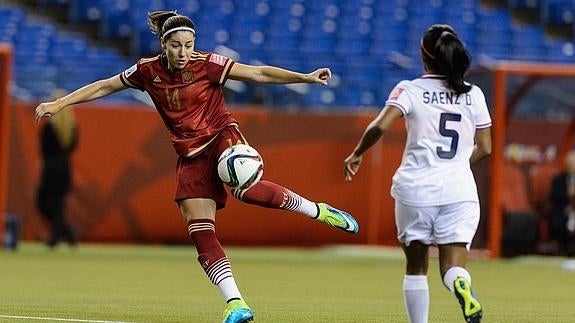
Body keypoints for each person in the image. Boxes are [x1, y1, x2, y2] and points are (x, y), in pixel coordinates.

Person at [34, 10, 358, 323]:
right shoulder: (147, 71)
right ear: (164, 44)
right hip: (190, 155)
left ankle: (317, 210)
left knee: (247, 190)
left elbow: (257, 73)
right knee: (200, 233)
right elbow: (105, 86)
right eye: (177, 45)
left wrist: (304, 77)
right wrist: (60, 103)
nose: (184, 52)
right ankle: (236, 304)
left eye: (189, 45)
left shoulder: (208, 64)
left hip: (221, 137)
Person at [343, 24, 492, 323]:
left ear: (424, 57)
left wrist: (357, 153)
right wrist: (459, 164)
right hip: (459, 192)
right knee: (452, 266)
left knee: (416, 267)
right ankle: (461, 284)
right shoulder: (473, 94)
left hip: (416, 190)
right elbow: (485, 147)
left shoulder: (409, 89)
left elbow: (379, 126)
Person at [36, 90, 78, 249]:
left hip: (50, 169)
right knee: (58, 206)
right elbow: (73, 147)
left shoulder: (49, 128)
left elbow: (43, 149)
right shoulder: (71, 127)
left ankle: (56, 237)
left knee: (44, 203)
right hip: (64, 169)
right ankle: (67, 233)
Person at [548, 150, 575, 257]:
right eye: (569, 163)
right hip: (564, 210)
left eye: (573, 163)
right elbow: (554, 197)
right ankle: (562, 250)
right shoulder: (558, 179)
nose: (571, 165)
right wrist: (568, 193)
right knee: (557, 219)